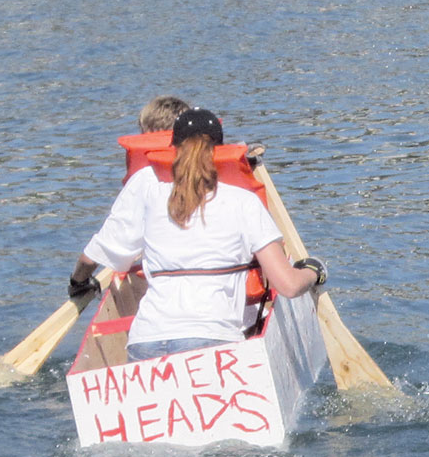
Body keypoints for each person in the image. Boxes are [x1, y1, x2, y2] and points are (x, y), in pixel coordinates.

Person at [68, 108, 325, 362]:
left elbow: (92, 257)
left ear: (172, 150)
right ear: (219, 151)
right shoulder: (243, 202)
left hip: (145, 340)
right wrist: (314, 272)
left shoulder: (149, 190)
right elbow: (288, 286)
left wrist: (78, 283)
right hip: (212, 338)